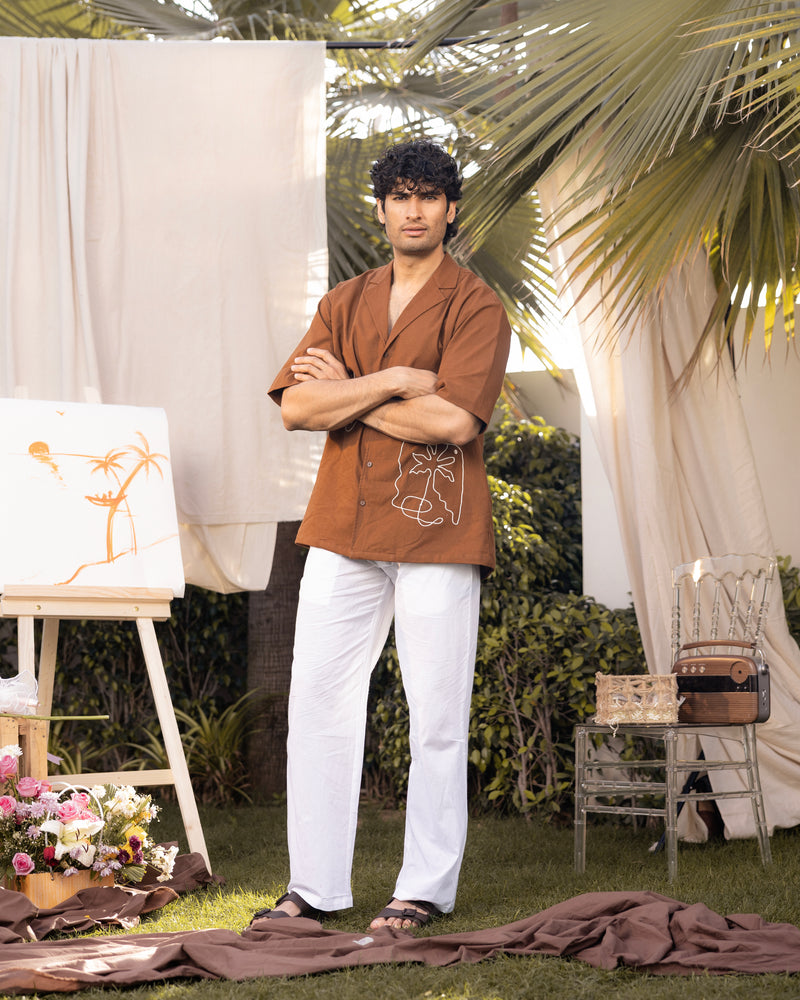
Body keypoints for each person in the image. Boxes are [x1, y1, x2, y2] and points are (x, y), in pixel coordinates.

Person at [259, 138, 511, 930]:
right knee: (321, 702)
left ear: (450, 209)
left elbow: (456, 422)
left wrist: (354, 393)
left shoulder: (476, 305)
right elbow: (298, 408)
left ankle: (423, 889)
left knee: (436, 713)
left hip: (436, 530)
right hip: (342, 525)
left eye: (428, 197)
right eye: (400, 196)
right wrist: (400, 380)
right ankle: (315, 889)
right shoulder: (344, 301)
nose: (413, 209)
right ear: (381, 208)